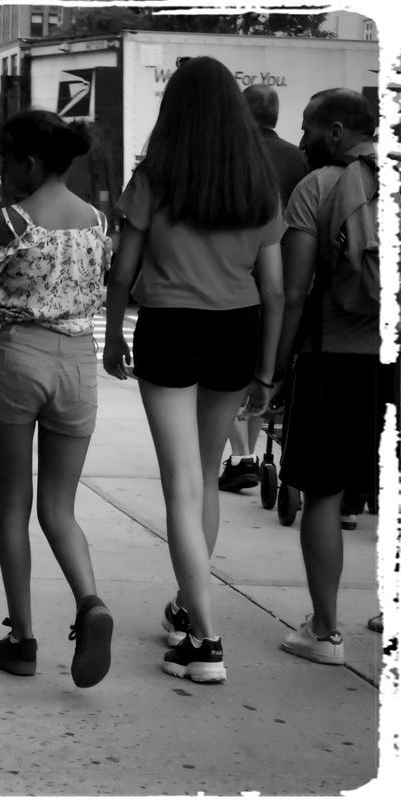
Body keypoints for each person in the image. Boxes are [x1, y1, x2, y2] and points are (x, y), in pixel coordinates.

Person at [103, 57, 285, 684]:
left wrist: (111, 334)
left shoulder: (156, 175)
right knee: (205, 478)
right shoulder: (257, 181)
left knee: (179, 482)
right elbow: (276, 287)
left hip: (171, 326)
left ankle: (204, 641)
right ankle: (186, 608)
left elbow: (123, 270)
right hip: (238, 328)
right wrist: (266, 368)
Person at [0, 111, 113, 688]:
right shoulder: (98, 220)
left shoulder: (12, 222)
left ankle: (22, 639)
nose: (2, 171)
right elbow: (96, 290)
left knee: (13, 505)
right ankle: (90, 602)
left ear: (28, 162)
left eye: (5, 160)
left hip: (20, 361)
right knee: (61, 508)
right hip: (79, 367)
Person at [271, 88, 391, 666]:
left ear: (337, 131)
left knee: (323, 494)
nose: (302, 140)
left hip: (334, 357)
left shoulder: (316, 188)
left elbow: (292, 294)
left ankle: (324, 631)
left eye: (310, 129)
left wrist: (272, 369)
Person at [219, 84, 309, 493]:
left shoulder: (232, 153)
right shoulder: (297, 159)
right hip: (285, 275)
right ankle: (249, 450)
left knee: (227, 373)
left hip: (234, 277)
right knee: (261, 368)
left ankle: (241, 456)